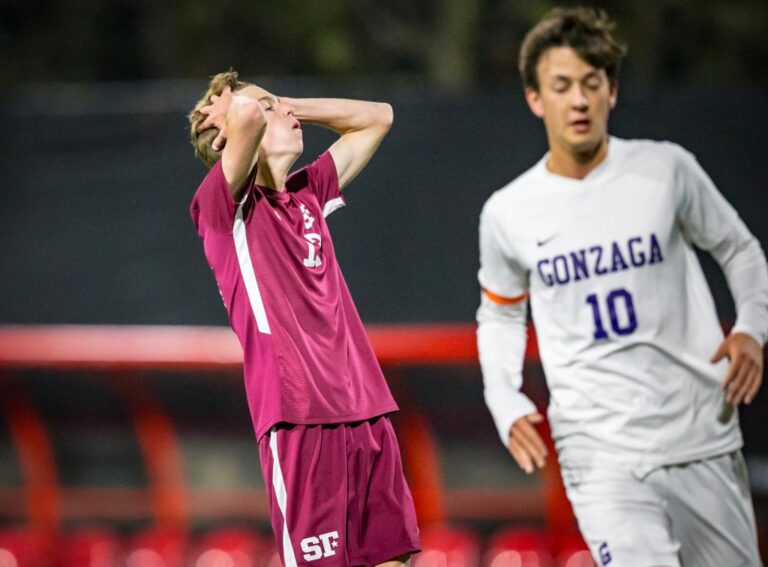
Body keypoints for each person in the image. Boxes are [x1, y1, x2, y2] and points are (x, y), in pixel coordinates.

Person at [476, 7, 767, 566]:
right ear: (536, 99)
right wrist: (503, 396)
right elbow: (502, 313)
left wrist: (752, 326)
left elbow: (740, 248)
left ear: (612, 90)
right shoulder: (509, 211)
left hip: (698, 431)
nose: (579, 100)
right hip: (598, 449)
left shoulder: (666, 170)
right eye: (562, 86)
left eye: (592, 84)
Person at [188, 71, 419, 567]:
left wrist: (284, 103)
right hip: (299, 419)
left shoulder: (308, 193)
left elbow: (378, 117)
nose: (288, 116)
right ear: (230, 133)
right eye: (270, 109)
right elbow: (247, 115)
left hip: (366, 408)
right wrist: (245, 109)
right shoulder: (222, 212)